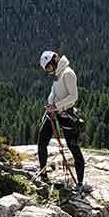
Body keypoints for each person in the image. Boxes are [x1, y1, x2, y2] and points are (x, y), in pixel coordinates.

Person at [37, 50, 85, 186]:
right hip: (55, 111)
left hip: (65, 112)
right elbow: (54, 92)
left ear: (55, 61)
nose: (49, 71)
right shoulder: (58, 74)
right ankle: (43, 174)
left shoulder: (68, 73)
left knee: (73, 147)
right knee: (42, 140)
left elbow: (73, 96)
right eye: (47, 69)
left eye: (50, 67)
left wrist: (56, 106)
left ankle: (80, 183)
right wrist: (51, 104)